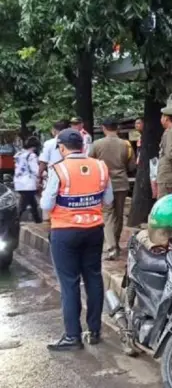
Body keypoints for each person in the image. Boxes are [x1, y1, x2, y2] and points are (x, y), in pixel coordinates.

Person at [39, 128, 113, 351]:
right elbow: (108, 199)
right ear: (82, 146)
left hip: (65, 233)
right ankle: (95, 330)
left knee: (69, 283)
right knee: (94, 278)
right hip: (94, 230)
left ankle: (73, 336)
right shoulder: (100, 166)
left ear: (61, 148)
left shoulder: (59, 169)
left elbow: (46, 205)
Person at [90, 119, 135, 260]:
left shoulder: (97, 144)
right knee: (119, 214)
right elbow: (132, 166)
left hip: (104, 183)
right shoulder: (126, 144)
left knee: (107, 214)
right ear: (117, 128)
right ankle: (115, 242)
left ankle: (111, 247)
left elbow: (90, 163)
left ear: (104, 128)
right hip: (121, 183)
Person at [14, 136, 42, 223]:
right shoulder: (31, 155)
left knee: (31, 202)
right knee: (24, 203)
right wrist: (43, 174)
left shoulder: (19, 154)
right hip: (28, 183)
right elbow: (35, 170)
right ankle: (16, 219)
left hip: (19, 181)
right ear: (34, 147)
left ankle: (37, 219)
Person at [38, 120, 69, 187]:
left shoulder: (49, 143)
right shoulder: (73, 142)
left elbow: (43, 162)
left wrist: (39, 176)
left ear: (54, 130)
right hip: (70, 174)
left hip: (55, 176)